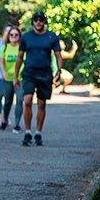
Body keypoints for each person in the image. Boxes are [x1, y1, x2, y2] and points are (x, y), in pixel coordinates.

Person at [14, 10, 62, 146]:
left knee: (41, 103)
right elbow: (19, 57)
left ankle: (38, 132)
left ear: (44, 22)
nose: (38, 22)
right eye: (36, 20)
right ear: (32, 22)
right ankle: (27, 131)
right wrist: (16, 76)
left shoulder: (51, 37)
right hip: (29, 73)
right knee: (27, 100)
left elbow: (58, 55)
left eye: (41, 20)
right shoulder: (26, 37)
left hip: (45, 73)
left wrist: (58, 70)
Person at [0, 25, 24, 132]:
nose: (13, 36)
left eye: (16, 35)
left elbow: (24, 61)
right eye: (11, 34)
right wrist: (3, 72)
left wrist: (18, 76)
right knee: (8, 100)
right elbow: (1, 61)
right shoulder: (5, 47)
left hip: (20, 78)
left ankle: (17, 123)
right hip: (7, 78)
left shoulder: (22, 48)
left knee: (20, 100)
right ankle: (5, 119)